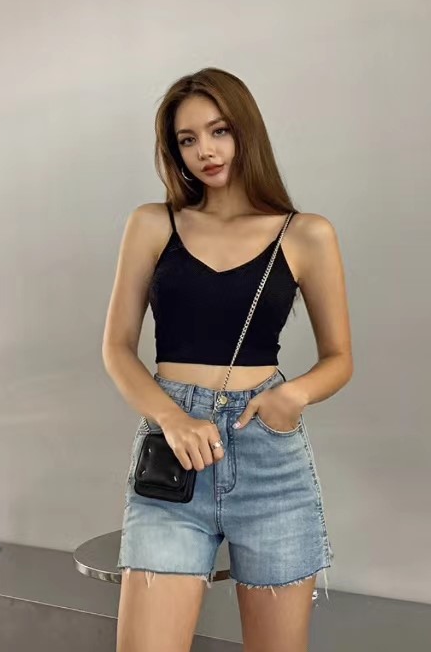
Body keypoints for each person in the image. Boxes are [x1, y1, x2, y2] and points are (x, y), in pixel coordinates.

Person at [102, 67, 353, 652]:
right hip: (174, 456)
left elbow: (340, 358)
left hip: (269, 460)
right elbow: (117, 347)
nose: (205, 151)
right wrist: (171, 416)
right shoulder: (152, 224)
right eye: (187, 140)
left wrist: (293, 395)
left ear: (246, 131)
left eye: (219, 131)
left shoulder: (306, 234)